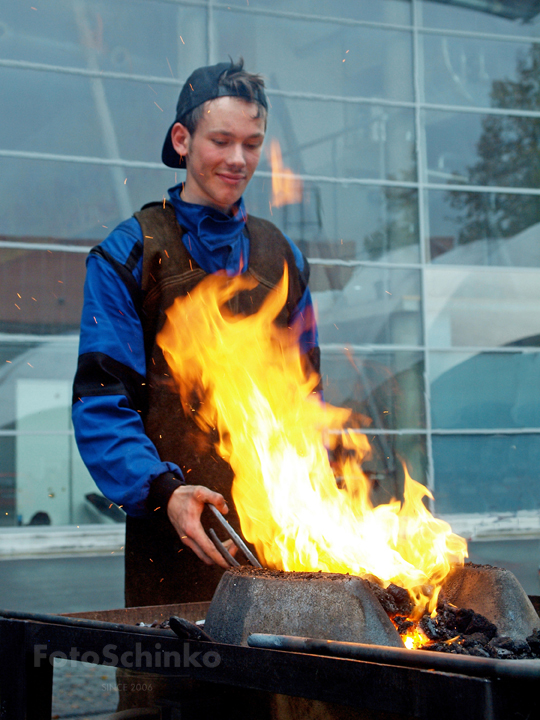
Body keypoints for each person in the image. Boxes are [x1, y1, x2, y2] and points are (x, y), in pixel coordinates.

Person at [72, 58, 319, 608]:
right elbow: (102, 402)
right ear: (182, 139)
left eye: (252, 144)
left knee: (285, 689)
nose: (238, 159)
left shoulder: (284, 256)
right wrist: (165, 492)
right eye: (221, 140)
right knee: (170, 689)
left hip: (281, 543)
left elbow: (309, 398)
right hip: (172, 540)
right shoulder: (130, 251)